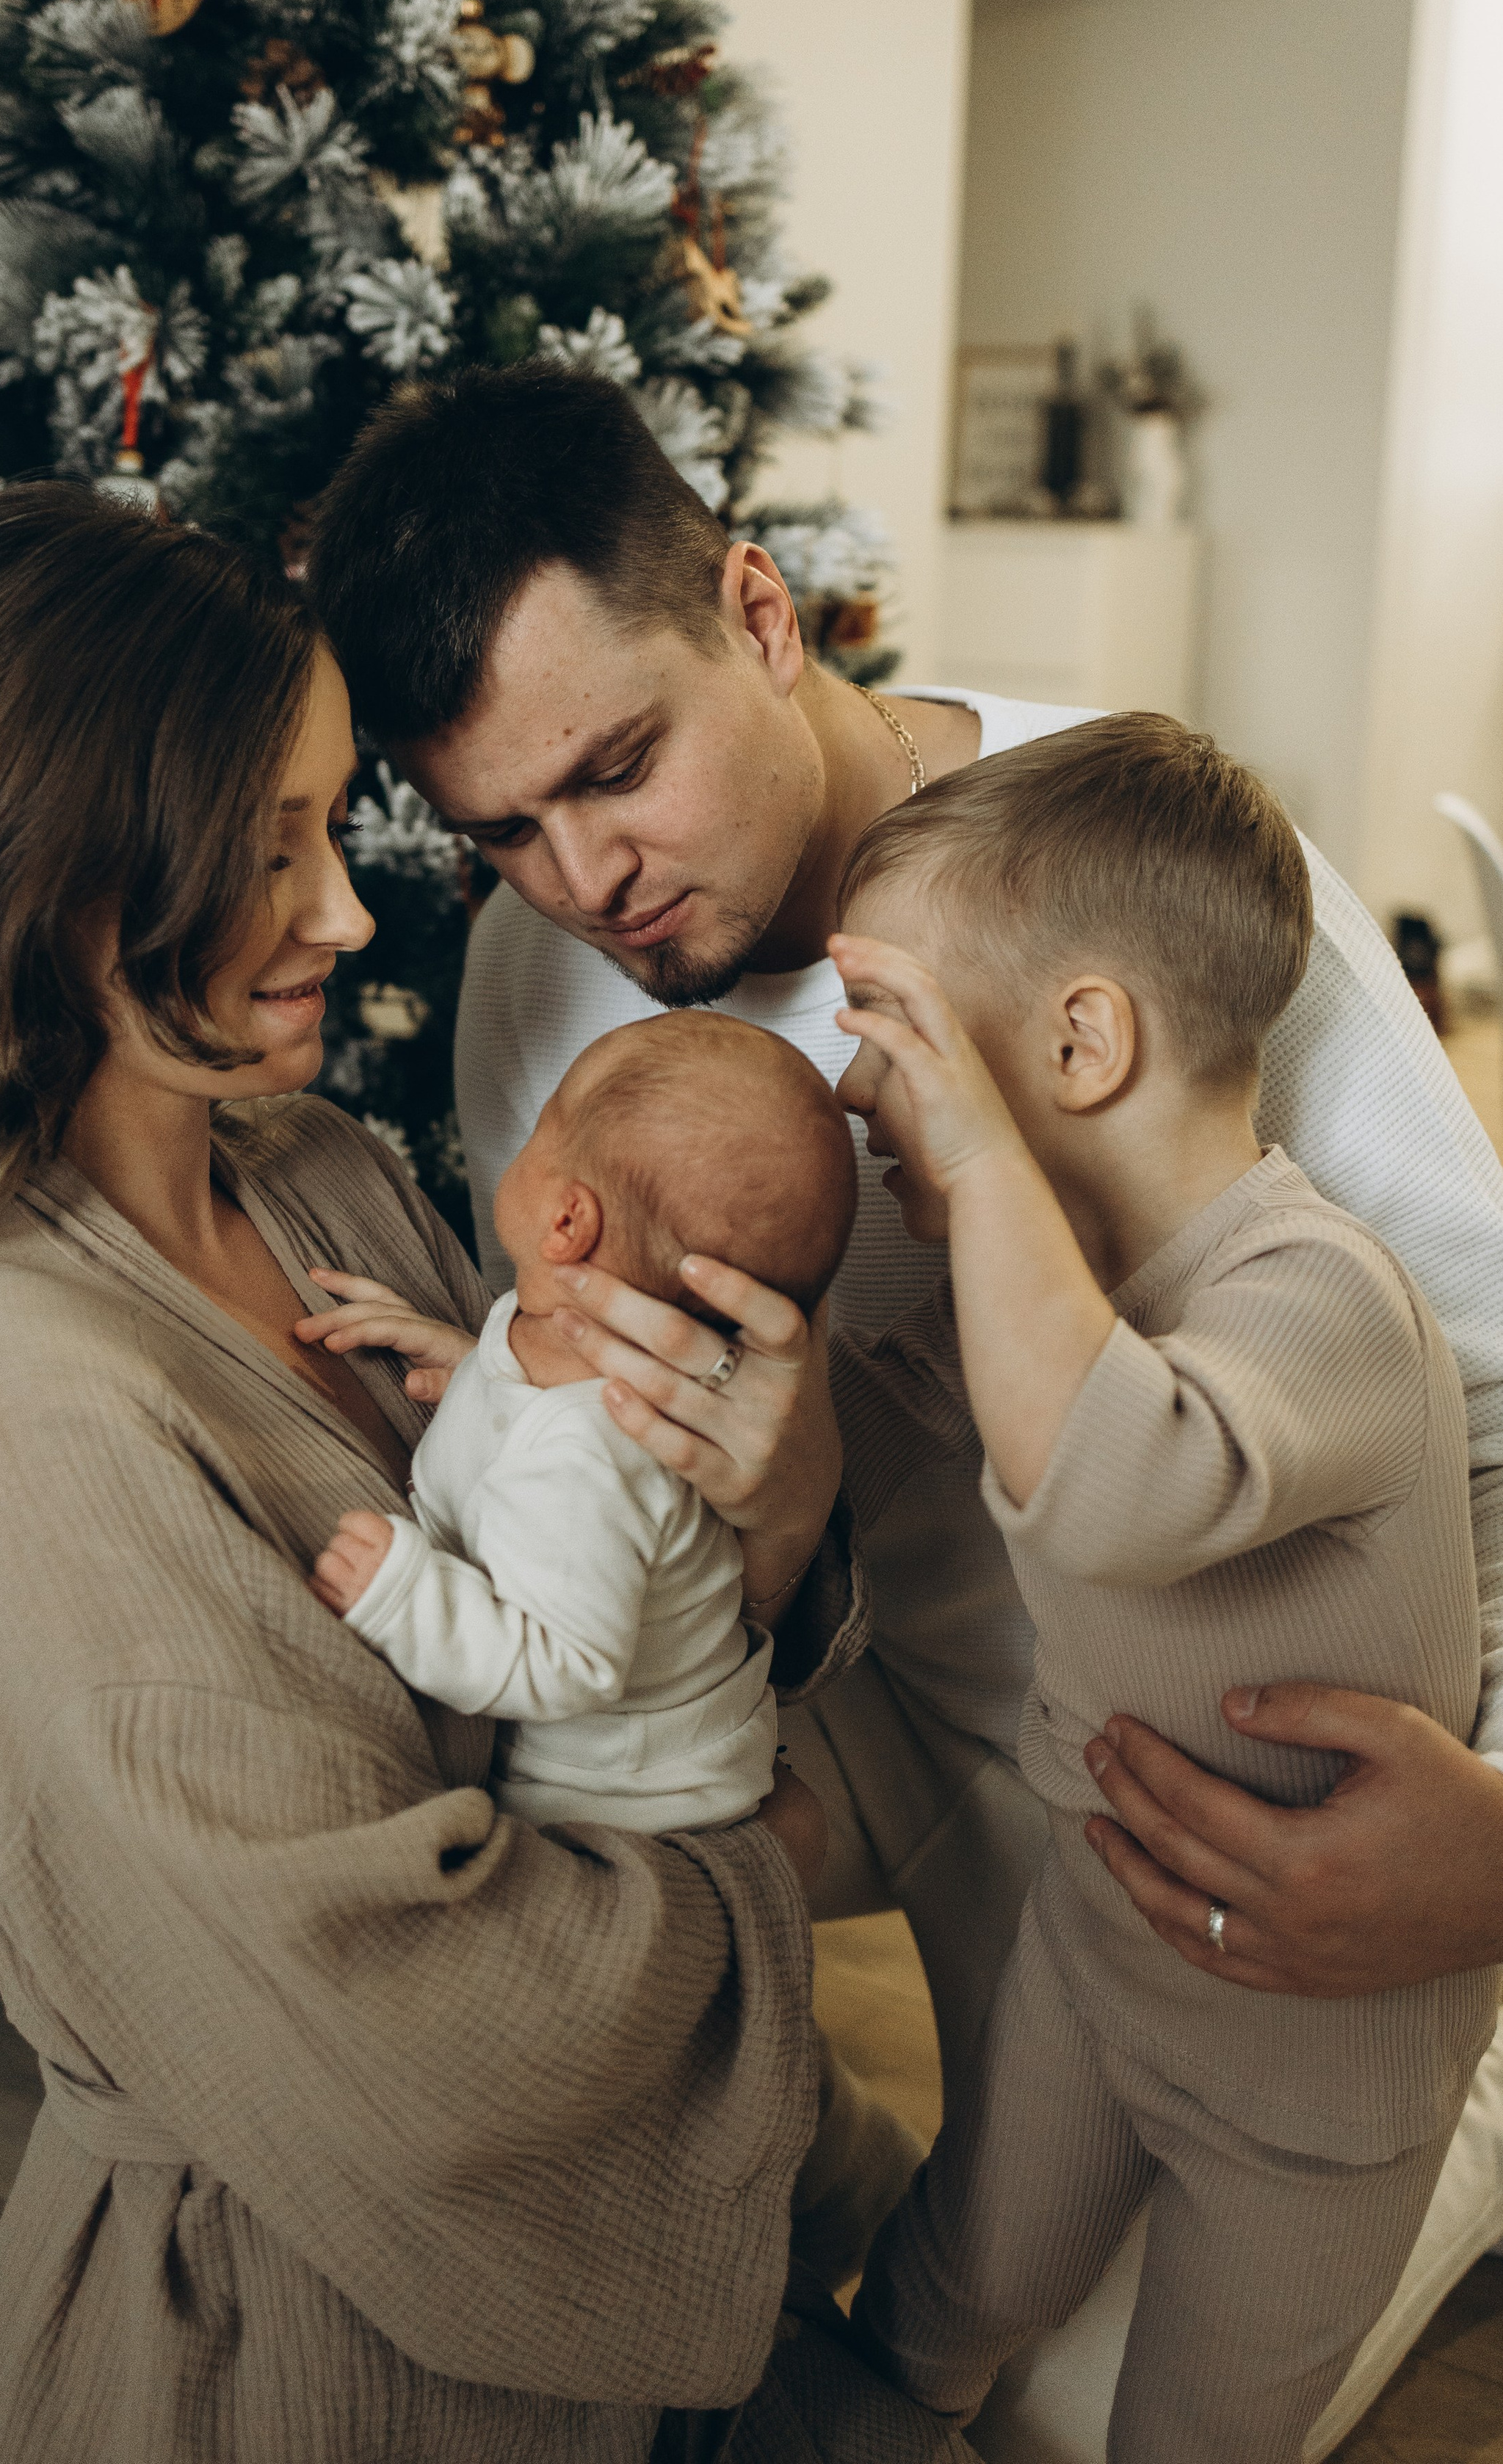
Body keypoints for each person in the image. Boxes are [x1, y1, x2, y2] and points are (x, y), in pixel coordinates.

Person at [0, 482, 970, 2464]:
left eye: (338, 830)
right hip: (316, 2352)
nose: (357, 916)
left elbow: (587, 1559)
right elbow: (424, 2034)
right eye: (273, 852)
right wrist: (749, 1861)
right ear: (73, 876)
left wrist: (779, 1510)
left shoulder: (310, 1174)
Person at [305, 362, 1503, 2129]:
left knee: (1071, 2417)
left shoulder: (1148, 880)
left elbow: (1487, 1406)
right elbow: (620, 1503)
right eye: (496, 828)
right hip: (883, 1716)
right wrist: (776, 1519)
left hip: (1275, 1793)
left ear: (758, 613)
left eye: (618, 765)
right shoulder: (528, 978)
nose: (580, 878)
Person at [827, 717, 1495, 2460]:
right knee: (934, 2291)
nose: (849, 1090)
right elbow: (863, 1413)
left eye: (887, 1034)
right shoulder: (1065, 1296)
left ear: (1075, 1040)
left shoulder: (1319, 1295)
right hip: (1091, 1957)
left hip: (1313, 2088)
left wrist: (970, 1159)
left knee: (1182, 2433)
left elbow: (1112, 1481)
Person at [303, 1012, 859, 1836]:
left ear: (566, 1221)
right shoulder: (562, 1352)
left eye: (538, 1132)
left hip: (623, 1801)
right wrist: (476, 1377)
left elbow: (568, 1666)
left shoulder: (584, 1461)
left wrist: (406, 1595)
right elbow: (540, 1429)